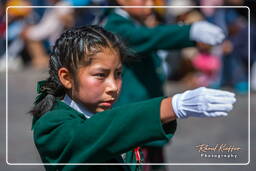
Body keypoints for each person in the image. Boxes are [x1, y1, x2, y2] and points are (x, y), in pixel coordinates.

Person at [31, 26, 236, 171]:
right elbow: (91, 134)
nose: (113, 87)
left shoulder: (110, 113)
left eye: (118, 74)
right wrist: (171, 106)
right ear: (66, 77)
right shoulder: (51, 125)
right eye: (100, 75)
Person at [102, 0, 226, 168]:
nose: (149, 3)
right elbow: (145, 38)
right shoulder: (115, 25)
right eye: (143, 0)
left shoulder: (136, 23)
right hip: (134, 120)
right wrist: (189, 32)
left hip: (148, 118)